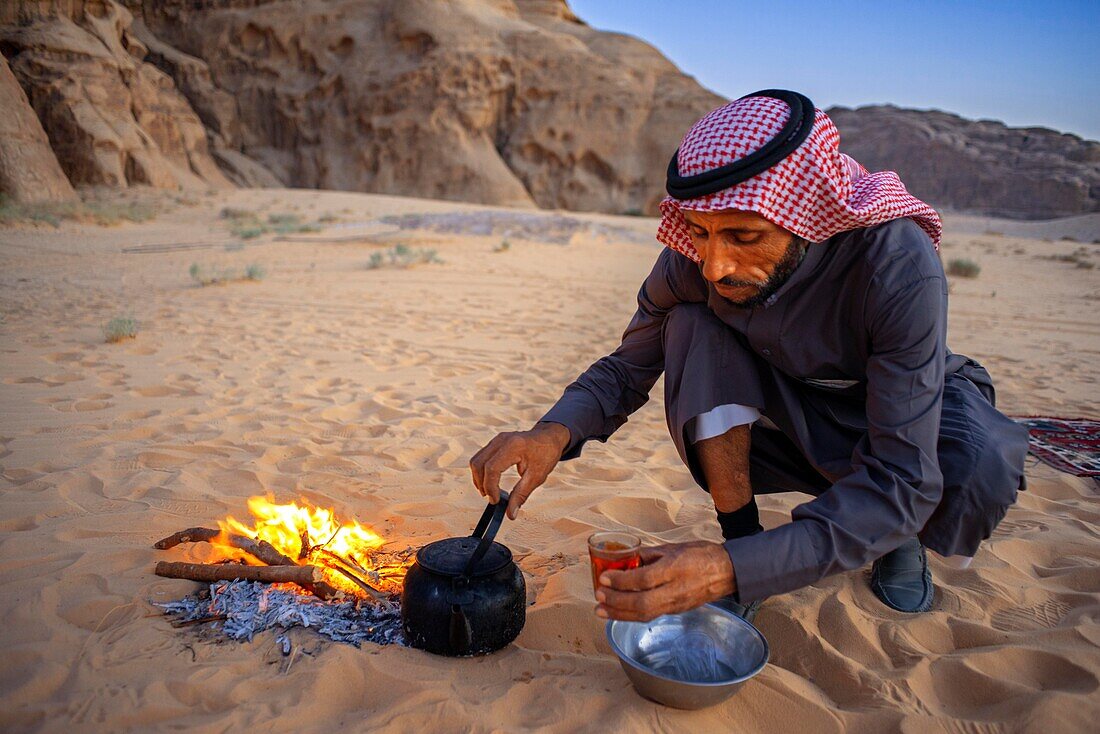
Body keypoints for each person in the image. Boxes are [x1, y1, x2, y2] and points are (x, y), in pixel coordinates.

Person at [468, 90, 1029, 622]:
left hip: (903, 410)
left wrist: (726, 574)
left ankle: (897, 538)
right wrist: (551, 434)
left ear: (806, 215)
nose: (713, 265)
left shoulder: (894, 264)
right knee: (690, 326)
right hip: (794, 398)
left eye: (743, 236)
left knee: (972, 469)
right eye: (699, 232)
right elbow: (628, 365)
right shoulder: (694, 259)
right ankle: (742, 538)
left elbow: (904, 472)